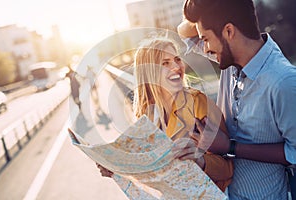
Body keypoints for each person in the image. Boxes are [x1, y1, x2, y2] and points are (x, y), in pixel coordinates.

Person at [178, 0, 296, 199]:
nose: (205, 48)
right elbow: (184, 32)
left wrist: (229, 147)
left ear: (229, 31)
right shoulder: (230, 59)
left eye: (205, 39)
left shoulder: (283, 82)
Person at [97, 37, 233, 192]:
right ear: (149, 73)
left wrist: (200, 160)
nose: (176, 66)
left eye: (177, 59)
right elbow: (151, 172)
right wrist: (117, 170)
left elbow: (228, 168)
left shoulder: (198, 103)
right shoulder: (148, 115)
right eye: (165, 63)